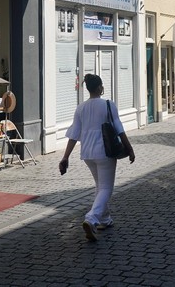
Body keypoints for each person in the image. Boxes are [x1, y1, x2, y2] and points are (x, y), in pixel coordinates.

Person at [58, 74, 135, 241]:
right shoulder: (108, 105)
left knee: (100, 186)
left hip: (87, 153)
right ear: (100, 87)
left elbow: (74, 134)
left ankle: (104, 219)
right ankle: (92, 218)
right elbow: (119, 128)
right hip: (105, 152)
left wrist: (65, 157)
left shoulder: (81, 108)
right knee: (106, 188)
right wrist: (129, 149)